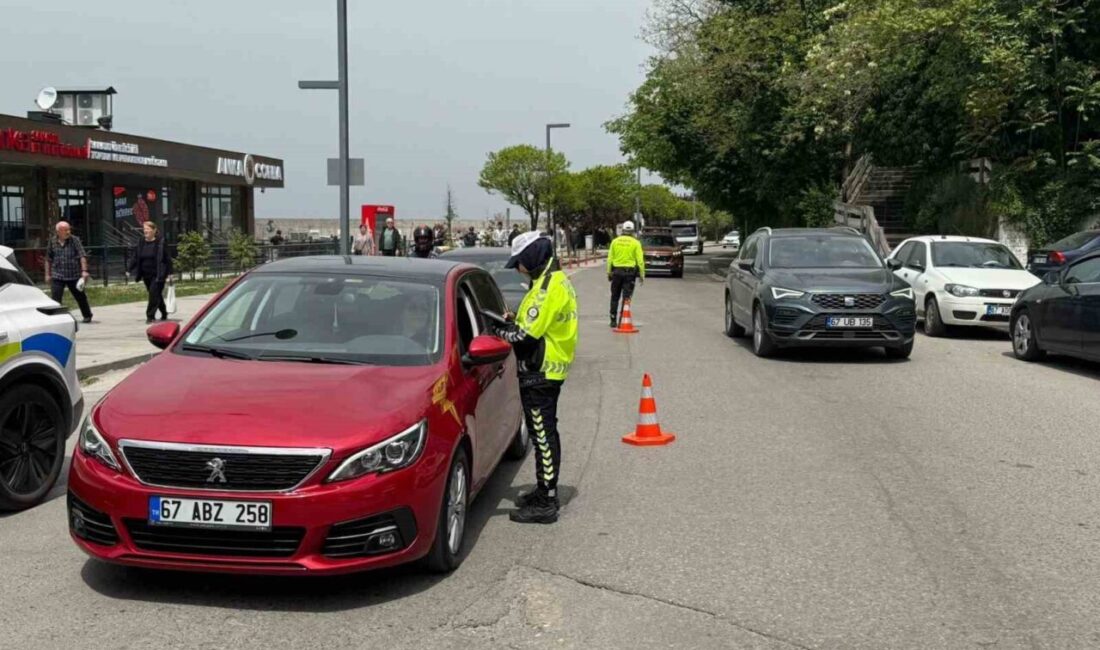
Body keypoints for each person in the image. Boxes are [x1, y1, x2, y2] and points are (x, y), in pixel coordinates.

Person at [491, 232, 578, 524]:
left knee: (542, 436)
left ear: (530, 258)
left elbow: (523, 338)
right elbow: (534, 323)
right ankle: (544, 490)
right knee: (546, 433)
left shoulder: (546, 289)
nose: (517, 268)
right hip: (551, 367)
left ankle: (546, 502)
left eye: (519, 262)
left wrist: (495, 330)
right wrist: (514, 320)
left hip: (541, 373)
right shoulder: (554, 280)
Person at [45, 221, 93, 323]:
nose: (68, 232)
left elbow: (82, 256)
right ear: (58, 231)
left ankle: (87, 315)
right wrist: (47, 274)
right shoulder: (52, 241)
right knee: (55, 298)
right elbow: (48, 259)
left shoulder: (74, 240)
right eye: (65, 230)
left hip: (73, 274)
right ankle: (55, 319)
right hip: (57, 275)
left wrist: (84, 271)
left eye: (69, 229)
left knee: (80, 297)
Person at [128, 221, 174, 323]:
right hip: (146, 274)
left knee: (153, 294)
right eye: (144, 229)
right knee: (156, 294)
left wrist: (170, 273)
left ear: (154, 230)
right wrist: (129, 269)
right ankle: (164, 312)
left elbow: (167, 258)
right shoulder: (141, 242)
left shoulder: (161, 242)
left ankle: (150, 316)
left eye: (147, 229)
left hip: (158, 274)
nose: (145, 231)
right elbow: (135, 257)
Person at [606, 220, 646, 328]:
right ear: (632, 231)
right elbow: (640, 260)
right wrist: (642, 274)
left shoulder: (615, 242)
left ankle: (612, 320)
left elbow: (610, 258)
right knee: (626, 297)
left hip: (616, 272)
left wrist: (609, 272)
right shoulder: (636, 243)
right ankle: (622, 320)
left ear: (623, 230)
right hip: (630, 274)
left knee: (614, 296)